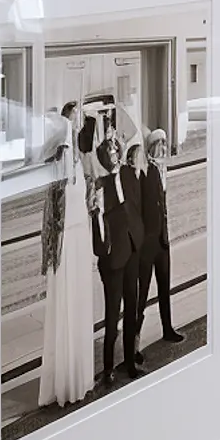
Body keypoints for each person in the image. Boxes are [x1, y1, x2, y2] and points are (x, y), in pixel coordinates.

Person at [38, 101, 97, 409]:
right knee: (67, 304)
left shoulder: (80, 162)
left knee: (80, 302)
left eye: (78, 120)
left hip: (80, 237)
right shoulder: (59, 163)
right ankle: (63, 381)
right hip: (65, 243)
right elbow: (52, 212)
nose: (77, 125)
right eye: (73, 120)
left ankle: (81, 376)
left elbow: (88, 195)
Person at [91, 132, 144, 385]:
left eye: (116, 152)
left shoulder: (127, 175)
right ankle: (108, 369)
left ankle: (130, 362)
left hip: (132, 250)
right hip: (113, 260)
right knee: (113, 316)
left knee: (132, 308)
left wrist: (139, 236)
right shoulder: (100, 187)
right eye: (111, 154)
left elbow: (136, 204)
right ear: (104, 159)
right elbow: (99, 236)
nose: (115, 156)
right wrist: (98, 213)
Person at [138, 129, 185, 347]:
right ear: (151, 147)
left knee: (164, 288)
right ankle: (134, 339)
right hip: (148, 244)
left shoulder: (162, 169)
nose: (164, 148)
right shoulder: (145, 171)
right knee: (142, 293)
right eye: (160, 144)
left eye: (165, 144)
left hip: (162, 241)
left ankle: (167, 328)